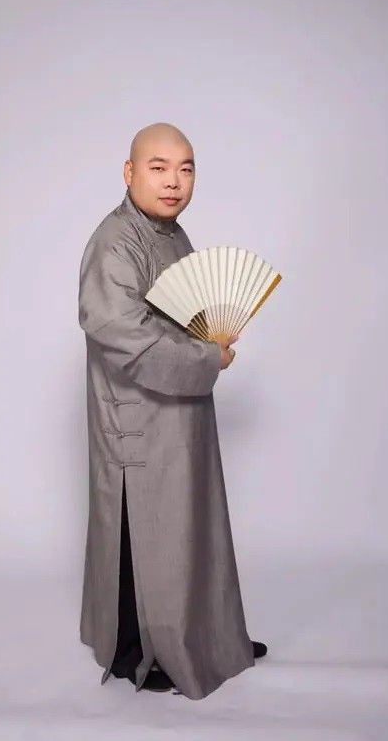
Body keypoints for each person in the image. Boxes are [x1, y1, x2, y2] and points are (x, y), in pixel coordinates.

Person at [77, 122, 267, 700]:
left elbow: (184, 313)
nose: (173, 182)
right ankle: (139, 651)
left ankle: (206, 638)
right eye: (158, 167)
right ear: (129, 172)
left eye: (186, 169)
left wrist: (208, 345)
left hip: (182, 410)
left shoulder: (174, 235)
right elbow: (120, 330)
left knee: (192, 529)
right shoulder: (114, 242)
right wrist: (208, 357)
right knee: (144, 533)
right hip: (138, 418)